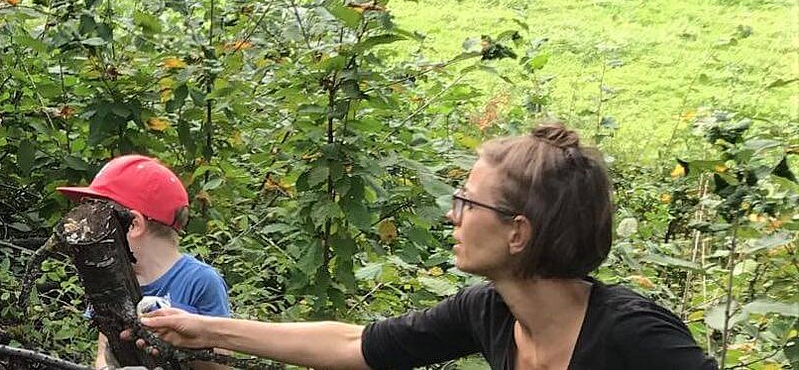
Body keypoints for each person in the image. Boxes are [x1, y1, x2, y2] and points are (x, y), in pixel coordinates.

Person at [128, 125, 718, 370]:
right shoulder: (490, 310)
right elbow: (356, 343)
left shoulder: (635, 337)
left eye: (467, 201)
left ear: (518, 232)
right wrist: (203, 329)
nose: (452, 213)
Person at [55, 155, 231, 369]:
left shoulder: (201, 281)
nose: (89, 225)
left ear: (133, 224)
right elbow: (104, 350)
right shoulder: (108, 277)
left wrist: (183, 345)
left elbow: (222, 363)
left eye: (99, 216)